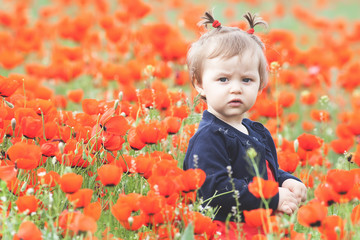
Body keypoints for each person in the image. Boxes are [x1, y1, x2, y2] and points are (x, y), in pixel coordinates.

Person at [183, 10, 307, 239]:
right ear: (199, 84)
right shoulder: (210, 138)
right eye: (223, 79)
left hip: (258, 231)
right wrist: (272, 198)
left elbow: (263, 173)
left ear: (260, 85)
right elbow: (216, 192)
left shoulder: (255, 132)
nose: (236, 88)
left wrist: (287, 180)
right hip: (226, 233)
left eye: (247, 79)